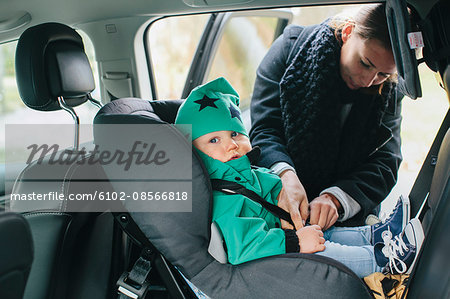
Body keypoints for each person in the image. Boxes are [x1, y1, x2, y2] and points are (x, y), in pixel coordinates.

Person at [174, 77, 423, 278]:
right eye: (214, 140)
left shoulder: (245, 172)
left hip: (283, 236)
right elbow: (244, 247)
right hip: (272, 260)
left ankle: (377, 236)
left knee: (326, 232)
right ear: (193, 152)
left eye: (235, 134)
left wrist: (287, 200)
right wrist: (294, 241)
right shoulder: (220, 197)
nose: (231, 145)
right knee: (326, 250)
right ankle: (383, 262)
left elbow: (269, 193)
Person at [249, 3, 403, 231]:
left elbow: (386, 161)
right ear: (348, 32)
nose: (369, 81)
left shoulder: (388, 90)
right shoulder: (290, 50)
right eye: (365, 63)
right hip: (282, 207)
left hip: (346, 216)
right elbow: (265, 129)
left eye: (383, 74)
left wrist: (337, 199)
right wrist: (284, 174)